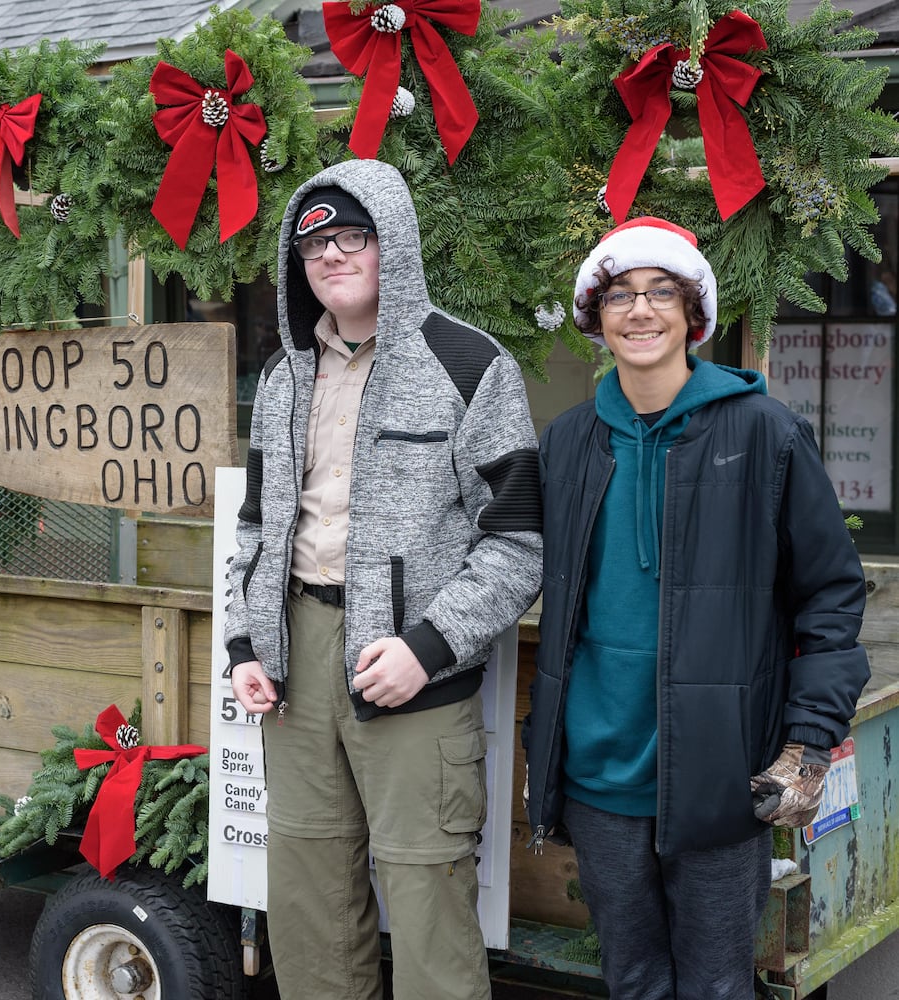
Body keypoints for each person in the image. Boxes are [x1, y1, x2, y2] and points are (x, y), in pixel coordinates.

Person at [524, 217, 871, 999]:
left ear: (693, 315)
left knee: (717, 985)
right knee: (632, 978)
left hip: (720, 773)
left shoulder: (766, 433)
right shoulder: (570, 441)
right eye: (619, 295)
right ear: (595, 317)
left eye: (659, 293)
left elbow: (829, 591)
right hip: (600, 773)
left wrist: (809, 742)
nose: (639, 311)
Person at [225, 158, 544, 1000]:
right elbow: (258, 527)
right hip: (295, 664)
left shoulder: (470, 365)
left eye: (352, 237)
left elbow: (517, 545)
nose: (332, 256)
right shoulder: (286, 375)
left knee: (428, 898)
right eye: (314, 245)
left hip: (410, 669)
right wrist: (245, 643)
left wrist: (426, 649)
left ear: (392, 244)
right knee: (309, 901)